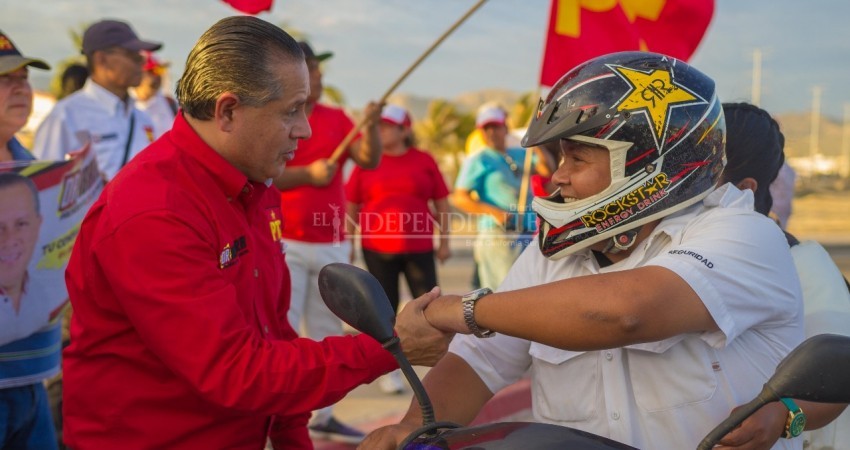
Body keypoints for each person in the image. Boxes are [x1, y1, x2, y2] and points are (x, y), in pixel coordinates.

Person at [362, 51, 804, 450]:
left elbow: (628, 311)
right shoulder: (553, 253)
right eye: (560, 159)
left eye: (578, 159)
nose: (558, 177)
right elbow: (482, 359)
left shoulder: (742, 234)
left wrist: (461, 310)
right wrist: (412, 428)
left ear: (648, 165)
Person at [62, 16, 451, 450]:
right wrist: (387, 347)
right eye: (291, 110)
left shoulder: (254, 186)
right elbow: (236, 370)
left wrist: (291, 437)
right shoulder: (153, 210)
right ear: (228, 110)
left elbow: (273, 332)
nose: (304, 129)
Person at [714, 102, 850, 450]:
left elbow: (837, 385)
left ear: (745, 187)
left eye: (699, 177)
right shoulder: (684, 257)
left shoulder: (804, 269)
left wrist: (785, 414)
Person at [272, 38, 383, 443]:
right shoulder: (277, 116)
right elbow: (265, 174)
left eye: (318, 71)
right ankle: (281, 411)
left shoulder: (338, 118)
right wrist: (307, 175)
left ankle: (321, 415)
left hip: (331, 238)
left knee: (324, 328)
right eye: (310, 70)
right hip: (285, 238)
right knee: (281, 327)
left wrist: (368, 125)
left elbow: (368, 160)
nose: (317, 77)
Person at [345, 103, 451, 394]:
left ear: (405, 130)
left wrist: (445, 241)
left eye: (387, 126)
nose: (380, 130)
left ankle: (439, 368)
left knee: (429, 308)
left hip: (419, 246)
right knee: (384, 310)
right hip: (377, 248)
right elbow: (352, 205)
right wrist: (345, 242)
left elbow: (441, 202)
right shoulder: (366, 163)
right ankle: (389, 370)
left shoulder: (424, 160)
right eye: (378, 125)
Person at [0, 30, 59, 450]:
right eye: (4, 79)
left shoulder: (32, 168)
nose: (21, 87)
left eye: (24, 77)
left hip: (33, 375)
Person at [32, 19, 161, 180]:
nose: (141, 63)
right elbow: (44, 184)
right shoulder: (66, 116)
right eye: (133, 56)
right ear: (101, 59)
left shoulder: (143, 118)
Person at [452, 103, 551, 291]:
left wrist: (535, 143)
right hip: (499, 235)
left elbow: (546, 169)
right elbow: (460, 197)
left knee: (526, 289)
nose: (491, 133)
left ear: (505, 128)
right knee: (504, 292)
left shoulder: (520, 153)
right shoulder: (479, 160)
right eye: (486, 128)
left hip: (527, 231)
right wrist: (494, 212)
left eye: (495, 127)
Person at [131, 50, 177, 139]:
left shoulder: (171, 105)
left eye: (160, 70)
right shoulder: (122, 107)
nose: (157, 76)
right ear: (138, 72)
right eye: (152, 71)